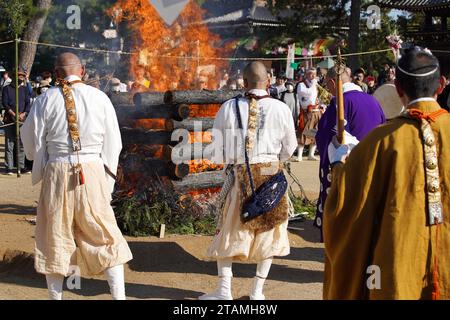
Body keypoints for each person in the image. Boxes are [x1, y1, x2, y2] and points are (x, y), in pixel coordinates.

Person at [323, 47, 450, 299]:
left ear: (398, 89)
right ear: (441, 85)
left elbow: (345, 211)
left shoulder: (378, 141)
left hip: (397, 260)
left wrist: (339, 165)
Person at [20, 52, 133, 300]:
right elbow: (114, 143)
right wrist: (106, 182)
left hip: (57, 173)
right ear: (81, 71)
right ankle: (119, 298)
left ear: (56, 73)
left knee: (55, 237)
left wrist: (44, 158)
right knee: (105, 236)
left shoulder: (44, 99)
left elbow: (29, 143)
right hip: (92, 171)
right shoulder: (100, 98)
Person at [199, 61, 297, 300]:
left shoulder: (228, 107)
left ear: (243, 82)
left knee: (229, 230)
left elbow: (217, 149)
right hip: (271, 173)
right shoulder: (281, 108)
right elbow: (290, 147)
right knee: (269, 233)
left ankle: (224, 292)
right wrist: (273, 162)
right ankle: (257, 292)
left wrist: (227, 161)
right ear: (269, 81)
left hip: (240, 175)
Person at [315, 66, 385, 240]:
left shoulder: (340, 102)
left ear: (332, 82)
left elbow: (326, 136)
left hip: (347, 167)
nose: (328, 89)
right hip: (372, 164)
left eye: (327, 85)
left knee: (343, 217)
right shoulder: (373, 101)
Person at [1, 69, 31, 175]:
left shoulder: (24, 89)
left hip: (22, 120)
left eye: (23, 76)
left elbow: (28, 103)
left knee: (21, 144)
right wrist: (13, 114)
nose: (21, 78)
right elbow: (4, 103)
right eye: (19, 76)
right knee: (10, 144)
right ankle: (9, 167)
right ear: (14, 76)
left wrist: (23, 114)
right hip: (10, 119)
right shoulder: (6, 88)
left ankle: (21, 166)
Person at [296, 67, 321, 161]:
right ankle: (299, 155)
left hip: (316, 111)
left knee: (315, 132)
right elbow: (307, 95)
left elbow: (318, 96)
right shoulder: (301, 85)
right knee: (303, 132)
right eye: (311, 74)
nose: (313, 76)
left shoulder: (316, 84)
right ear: (306, 75)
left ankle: (311, 154)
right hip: (307, 112)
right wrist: (313, 86)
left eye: (314, 74)